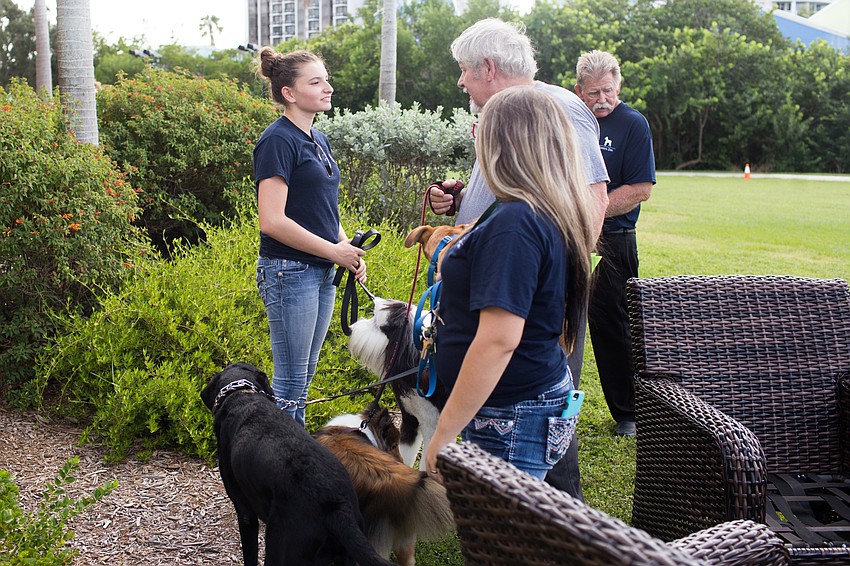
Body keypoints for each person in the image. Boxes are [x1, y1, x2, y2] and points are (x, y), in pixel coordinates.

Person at [428, 18, 609, 497]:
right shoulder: (523, 202)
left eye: (465, 70)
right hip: (515, 323)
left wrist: (559, 290)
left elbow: (591, 201)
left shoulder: (545, 108)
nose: (461, 81)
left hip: (518, 376)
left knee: (534, 501)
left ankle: (561, 514)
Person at [253, 47, 366, 427]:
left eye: (326, 79)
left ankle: (292, 465)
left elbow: (323, 210)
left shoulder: (317, 138)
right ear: (289, 93)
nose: (328, 88)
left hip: (319, 272)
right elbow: (271, 221)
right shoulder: (277, 140)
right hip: (288, 272)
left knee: (302, 377)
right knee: (289, 381)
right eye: (315, 82)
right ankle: (286, 474)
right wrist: (335, 253)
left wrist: (348, 248)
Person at [574, 50, 655, 437]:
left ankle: (629, 413)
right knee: (564, 317)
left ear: (618, 86)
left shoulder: (633, 125)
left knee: (615, 324)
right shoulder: (573, 121)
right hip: (570, 231)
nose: (602, 99)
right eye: (593, 93)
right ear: (579, 91)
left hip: (615, 236)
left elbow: (640, 189)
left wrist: (591, 211)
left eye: (608, 90)